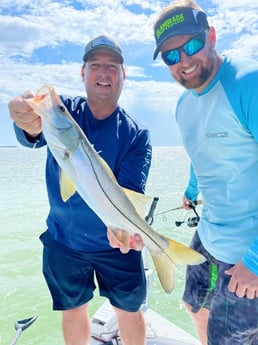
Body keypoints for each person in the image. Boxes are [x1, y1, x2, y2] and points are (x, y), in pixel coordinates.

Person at [8, 35, 152, 345]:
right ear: (82, 72)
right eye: (95, 65)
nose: (103, 73)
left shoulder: (136, 134)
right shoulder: (66, 113)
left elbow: (128, 191)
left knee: (130, 312)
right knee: (72, 311)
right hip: (64, 241)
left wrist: (124, 230)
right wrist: (27, 123)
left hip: (116, 245)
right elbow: (32, 132)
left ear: (124, 75)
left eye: (112, 67)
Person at [152, 1, 258, 344]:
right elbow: (201, 154)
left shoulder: (249, 84)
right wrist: (191, 189)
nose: (183, 61)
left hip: (247, 249)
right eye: (170, 56)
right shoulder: (184, 107)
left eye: (191, 46)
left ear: (211, 36)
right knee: (193, 307)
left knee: (228, 337)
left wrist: (255, 261)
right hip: (210, 234)